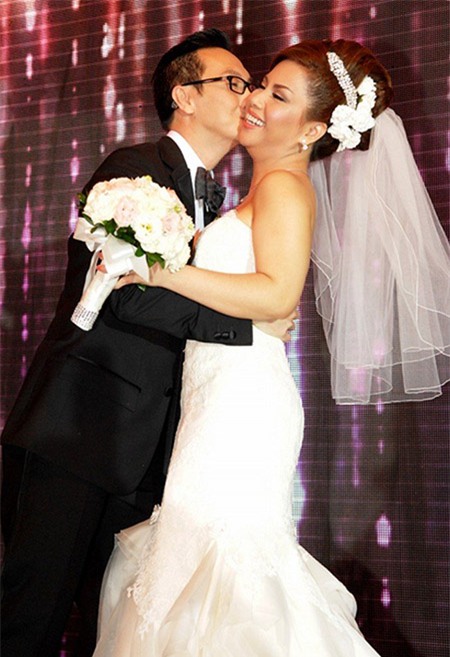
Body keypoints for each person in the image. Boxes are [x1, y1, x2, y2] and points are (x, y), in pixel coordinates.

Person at [93, 38, 449, 656]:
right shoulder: (263, 190)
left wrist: (165, 271)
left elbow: (277, 294)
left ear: (312, 130)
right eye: (261, 85)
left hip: (242, 407)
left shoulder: (285, 186)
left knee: (226, 573)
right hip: (216, 397)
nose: (254, 100)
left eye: (277, 95)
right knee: (191, 567)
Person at [0, 29, 295, 657]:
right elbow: (123, 293)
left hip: (156, 450)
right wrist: (247, 328)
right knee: (33, 613)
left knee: (113, 627)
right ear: (184, 96)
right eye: (234, 82)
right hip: (80, 429)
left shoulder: (220, 201)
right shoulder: (133, 170)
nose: (248, 97)